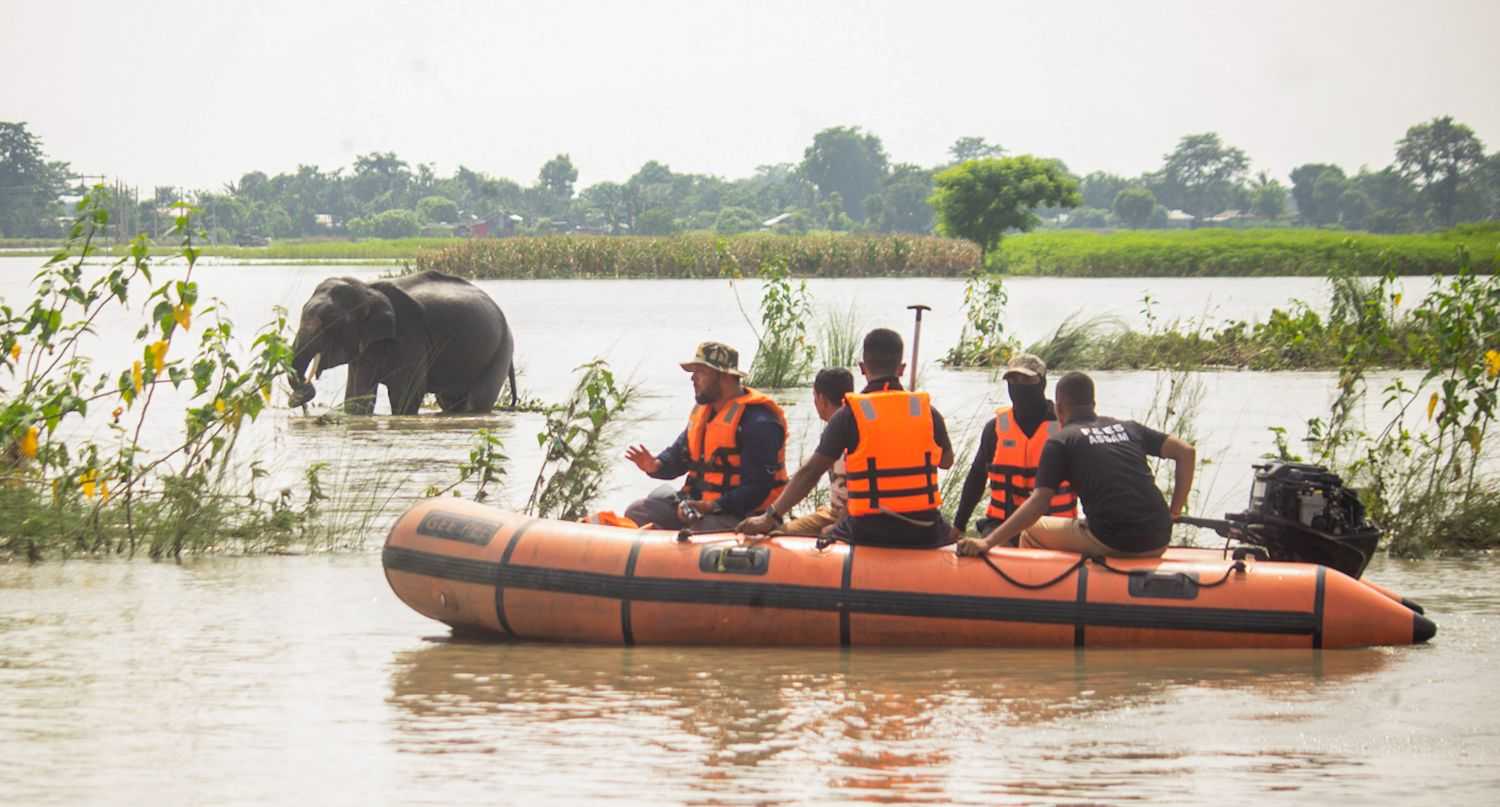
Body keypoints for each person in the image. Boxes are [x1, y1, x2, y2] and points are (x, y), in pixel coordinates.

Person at [738, 328, 954, 547]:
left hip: (868, 529)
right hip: (925, 528)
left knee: (795, 535)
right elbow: (946, 461)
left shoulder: (849, 414)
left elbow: (811, 472)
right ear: (902, 369)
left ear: (862, 368)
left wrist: (770, 516)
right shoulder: (926, 411)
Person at [956, 371, 1196, 558]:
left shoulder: (1062, 439)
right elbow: (1186, 452)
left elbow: (1039, 503)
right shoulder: (1129, 427)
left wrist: (987, 542)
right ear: (1093, 402)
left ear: (1059, 407)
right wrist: (1174, 511)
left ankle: (1041, 604)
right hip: (1160, 537)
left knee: (1031, 530)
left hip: (1114, 540)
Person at [623, 341, 788, 531]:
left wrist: (711, 506)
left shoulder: (759, 422)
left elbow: (757, 490)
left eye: (701, 372)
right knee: (637, 512)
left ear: (725, 376)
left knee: (701, 529)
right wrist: (655, 465)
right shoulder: (705, 413)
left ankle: (674, 550)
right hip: (696, 507)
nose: (693, 379)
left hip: (740, 514)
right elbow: (678, 456)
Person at [950, 353, 1076, 543]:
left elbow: (1090, 480)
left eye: (1026, 379)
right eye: (1012, 379)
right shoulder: (995, 428)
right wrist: (959, 525)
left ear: (1041, 383)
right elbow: (976, 477)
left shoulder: (1065, 427)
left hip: (1054, 524)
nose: (1018, 385)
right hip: (1001, 523)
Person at [779, 367, 854, 536]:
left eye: (814, 397)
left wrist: (839, 525)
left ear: (821, 399)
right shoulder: (851, 425)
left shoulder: (841, 433)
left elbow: (812, 473)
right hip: (835, 511)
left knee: (781, 534)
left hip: (846, 516)